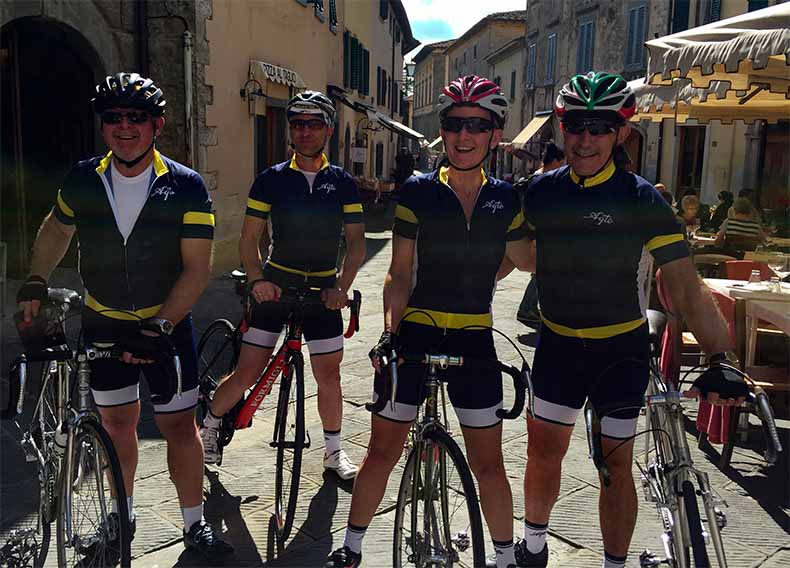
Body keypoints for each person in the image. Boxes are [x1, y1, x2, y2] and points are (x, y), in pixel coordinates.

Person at [517, 71, 738, 568]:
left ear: (621, 132)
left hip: (620, 351)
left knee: (615, 467)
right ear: (561, 126)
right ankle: (533, 545)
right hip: (557, 346)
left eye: (599, 127)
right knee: (542, 454)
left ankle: (614, 564)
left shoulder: (643, 199)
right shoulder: (541, 193)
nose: (585, 138)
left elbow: (686, 284)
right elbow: (512, 259)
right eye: (576, 125)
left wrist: (720, 356)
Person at [15, 72, 233, 562]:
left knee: (180, 427)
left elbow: (199, 268)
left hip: (167, 326)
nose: (124, 126)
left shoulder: (185, 186)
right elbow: (55, 229)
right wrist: (34, 277)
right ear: (103, 127)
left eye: (136, 117)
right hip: (104, 320)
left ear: (157, 125)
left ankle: (194, 523)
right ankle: (123, 509)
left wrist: (159, 326)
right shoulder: (83, 178)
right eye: (113, 117)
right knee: (117, 424)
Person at [326, 75, 535, 568]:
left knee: (489, 463)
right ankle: (352, 547)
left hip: (474, 337)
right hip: (416, 333)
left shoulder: (506, 199)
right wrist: (390, 333)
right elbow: (398, 275)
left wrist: (494, 267)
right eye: (454, 124)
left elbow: (525, 260)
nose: (464, 136)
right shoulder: (418, 192)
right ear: (443, 131)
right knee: (382, 451)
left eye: (477, 126)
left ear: (495, 135)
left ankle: (505, 558)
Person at [199, 90, 365, 481]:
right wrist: (257, 280)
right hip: (275, 286)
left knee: (330, 375)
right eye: (297, 124)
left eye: (313, 124)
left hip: (323, 291)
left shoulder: (342, 183)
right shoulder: (271, 180)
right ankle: (208, 424)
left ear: (328, 130)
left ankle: (334, 452)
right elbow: (248, 239)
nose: (305, 132)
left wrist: (342, 286)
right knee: (245, 372)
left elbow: (356, 244)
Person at [516, 143, 565, 328]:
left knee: (539, 271)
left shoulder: (537, 176)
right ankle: (527, 308)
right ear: (554, 161)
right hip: (538, 233)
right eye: (561, 163)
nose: (562, 167)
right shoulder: (544, 180)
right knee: (540, 271)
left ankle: (530, 307)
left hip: (535, 231)